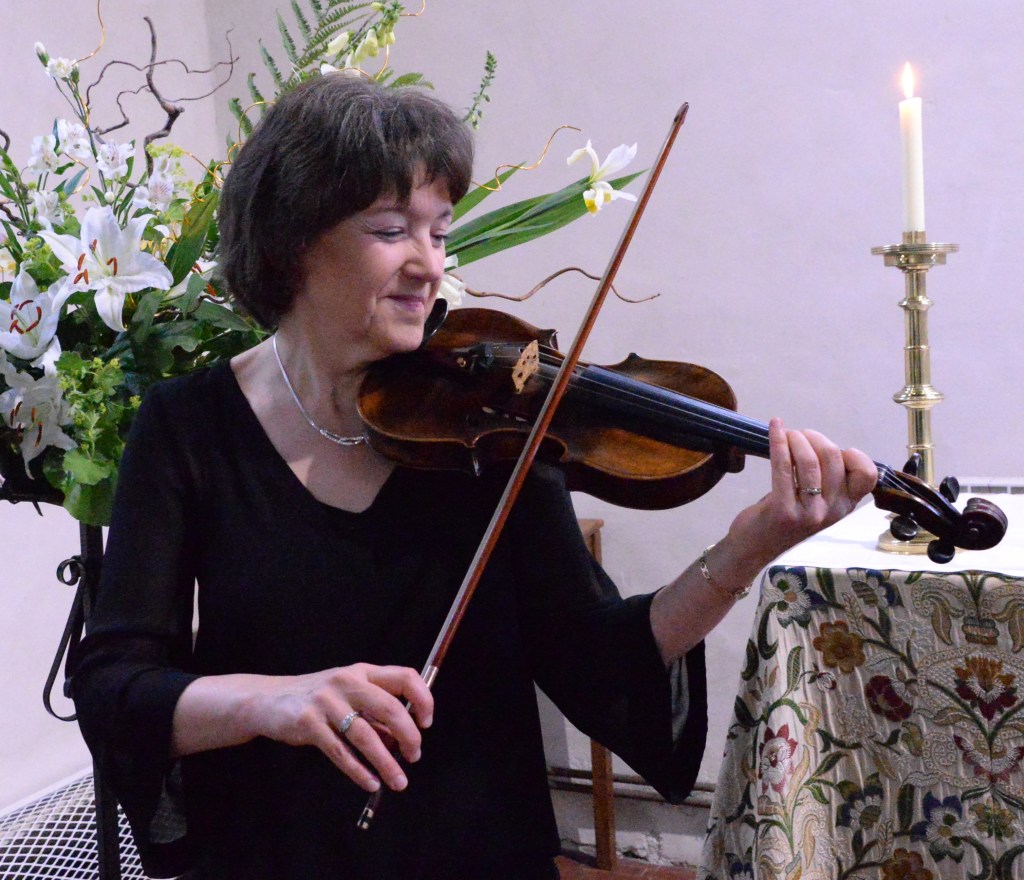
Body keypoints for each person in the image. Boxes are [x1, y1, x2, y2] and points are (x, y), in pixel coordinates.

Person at [71, 75, 877, 880]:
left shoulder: (485, 424)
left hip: (476, 850)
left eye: (441, 231)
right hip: (272, 853)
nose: (429, 264)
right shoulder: (187, 428)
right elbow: (114, 685)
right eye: (392, 230)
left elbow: (598, 660)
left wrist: (746, 548)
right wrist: (273, 702)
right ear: (291, 241)